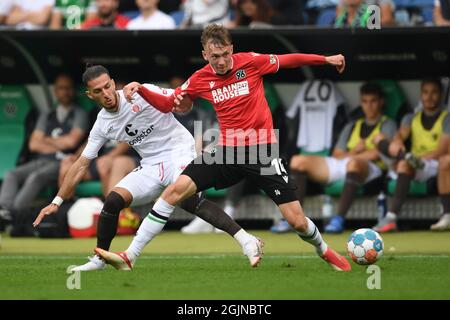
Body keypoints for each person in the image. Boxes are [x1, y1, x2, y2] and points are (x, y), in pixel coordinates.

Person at [103, 24, 352, 272]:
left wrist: (325, 60)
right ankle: (130, 255)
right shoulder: (200, 78)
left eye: (225, 55)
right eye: (214, 57)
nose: (221, 61)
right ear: (205, 55)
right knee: (174, 191)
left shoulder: (251, 62)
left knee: (297, 221)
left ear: (231, 48)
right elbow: (170, 103)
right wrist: (142, 89)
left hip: (261, 151)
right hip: (226, 150)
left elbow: (289, 60)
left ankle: (324, 250)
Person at [33, 64, 262, 271]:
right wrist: (56, 202)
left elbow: (177, 99)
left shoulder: (140, 93)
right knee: (112, 201)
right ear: (89, 95)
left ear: (113, 83)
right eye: (98, 91)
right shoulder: (102, 124)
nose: (106, 94)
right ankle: (99, 260)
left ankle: (246, 240)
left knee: (187, 200)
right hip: (151, 165)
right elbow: (81, 164)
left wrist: (145, 89)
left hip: (179, 151)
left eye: (107, 87)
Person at [290, 82, 396, 233]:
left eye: (373, 101)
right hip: (345, 163)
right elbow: (336, 154)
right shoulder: (353, 125)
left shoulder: (387, 124)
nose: (369, 106)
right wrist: (354, 151)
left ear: (381, 102)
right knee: (297, 161)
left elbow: (378, 153)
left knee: (354, 163)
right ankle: (295, 218)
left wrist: (354, 155)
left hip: (372, 169)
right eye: (365, 101)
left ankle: (338, 218)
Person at [0, 74, 88, 221]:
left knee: (36, 177)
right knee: (11, 174)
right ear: (55, 91)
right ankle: (4, 210)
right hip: (41, 160)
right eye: (61, 88)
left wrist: (45, 140)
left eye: (68, 88)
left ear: (73, 91)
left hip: (62, 163)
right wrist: (59, 143)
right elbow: (33, 144)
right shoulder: (47, 115)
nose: (65, 92)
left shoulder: (80, 113)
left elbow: (71, 143)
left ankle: (13, 214)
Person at [374, 78, 450, 233]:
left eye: (434, 92)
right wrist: (397, 142)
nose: (429, 97)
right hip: (416, 163)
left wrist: (420, 158)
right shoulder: (411, 117)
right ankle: (391, 218)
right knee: (381, 141)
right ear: (421, 94)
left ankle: (447, 216)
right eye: (426, 92)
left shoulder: (447, 117)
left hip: (435, 163)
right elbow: (402, 133)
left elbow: (442, 150)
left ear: (441, 95)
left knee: (445, 160)